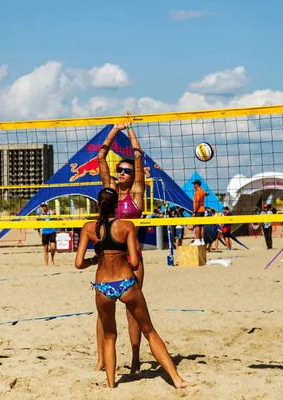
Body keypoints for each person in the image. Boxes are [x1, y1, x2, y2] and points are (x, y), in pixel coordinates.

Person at [74, 188, 194, 389]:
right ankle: (177, 380)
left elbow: (78, 263)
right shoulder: (127, 226)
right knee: (150, 331)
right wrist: (126, 266)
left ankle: (111, 385)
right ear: (117, 205)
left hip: (103, 286)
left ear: (98, 205)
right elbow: (136, 261)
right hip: (126, 282)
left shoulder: (88, 228)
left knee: (110, 336)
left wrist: (94, 260)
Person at [97, 116, 145, 373]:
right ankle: (102, 361)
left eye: (127, 171)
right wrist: (114, 130)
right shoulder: (110, 193)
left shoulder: (137, 192)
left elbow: (139, 158)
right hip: (108, 256)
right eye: (120, 170)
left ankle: (136, 358)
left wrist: (132, 130)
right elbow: (101, 159)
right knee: (104, 312)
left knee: (133, 311)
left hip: (132, 256)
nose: (122, 173)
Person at [191, 180, 206, 246]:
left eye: (194, 184)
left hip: (198, 210)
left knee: (197, 226)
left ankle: (197, 240)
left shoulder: (197, 192)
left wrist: (194, 211)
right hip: (202, 209)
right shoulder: (203, 191)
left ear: (197, 185)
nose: (193, 185)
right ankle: (202, 240)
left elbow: (197, 202)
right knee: (201, 226)